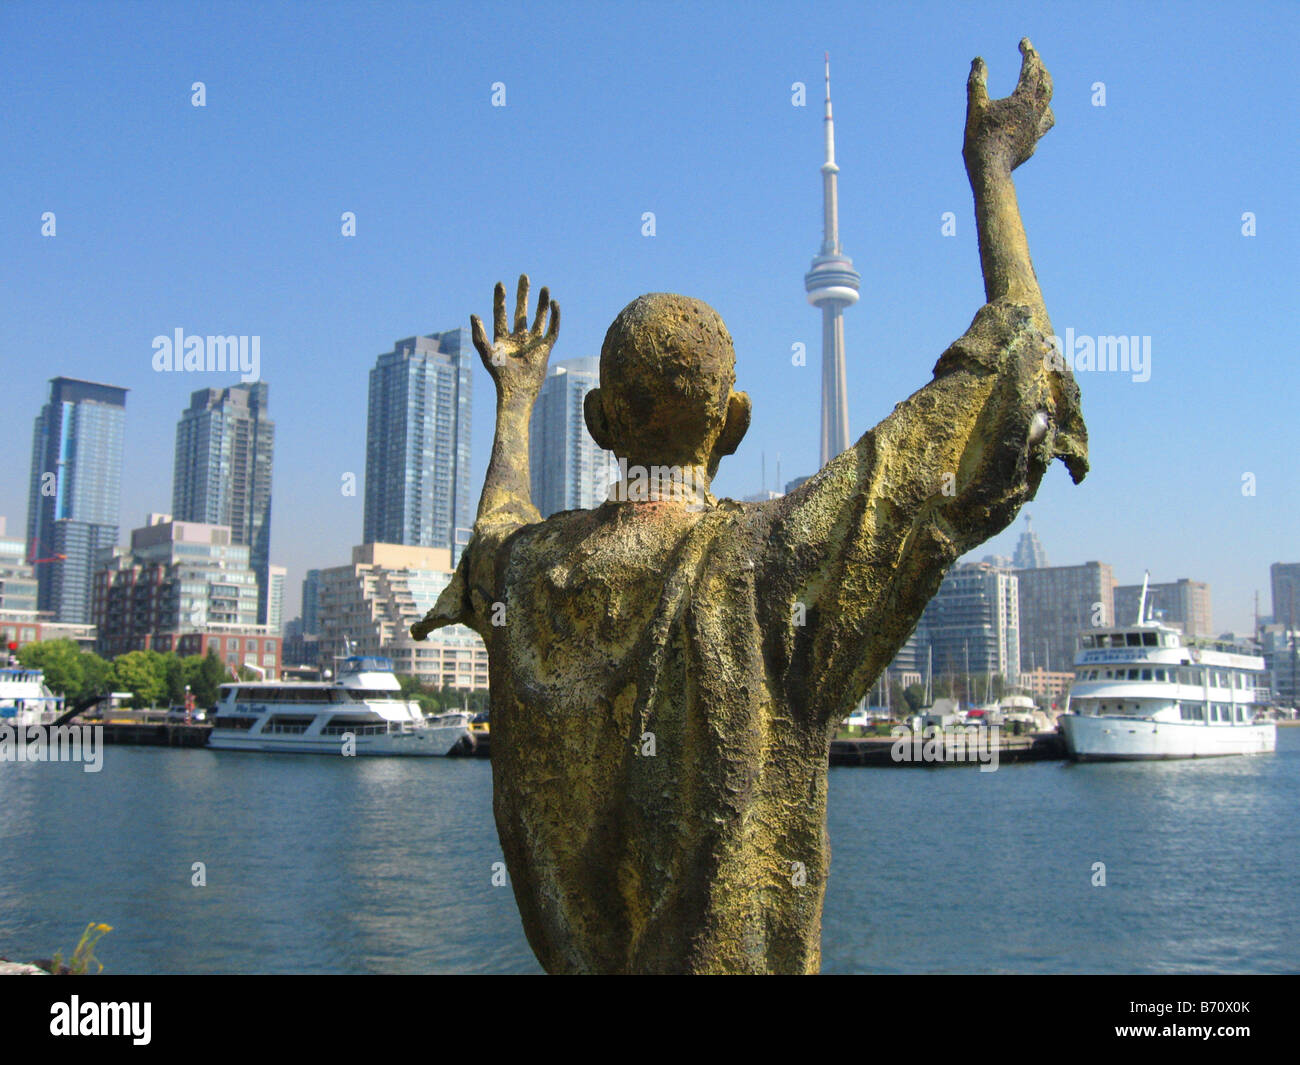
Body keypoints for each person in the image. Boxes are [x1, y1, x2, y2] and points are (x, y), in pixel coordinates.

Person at [413, 39, 1086, 973]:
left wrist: (516, 399)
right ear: (733, 424)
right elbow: (1014, 380)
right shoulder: (770, 570)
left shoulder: (529, 581)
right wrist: (992, 173)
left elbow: (494, 529)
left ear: (602, 422)